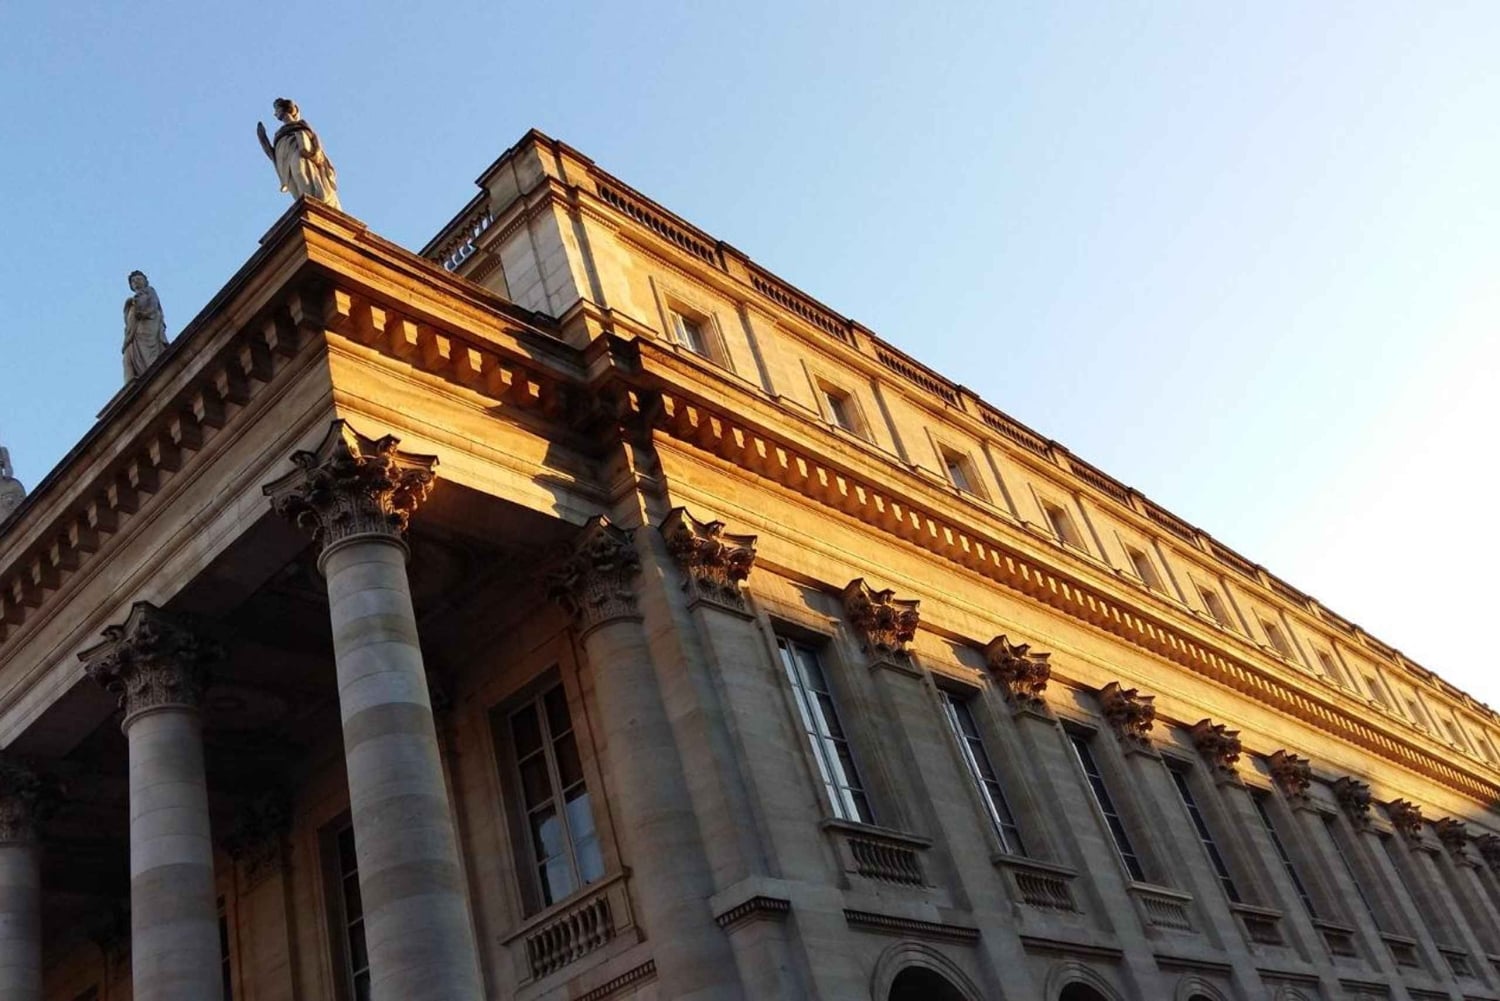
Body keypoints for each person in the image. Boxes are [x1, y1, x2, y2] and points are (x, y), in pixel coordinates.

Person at [256, 98, 341, 209]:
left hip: (301, 152)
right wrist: (263, 138)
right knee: (295, 185)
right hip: (284, 161)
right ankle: (307, 207)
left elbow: (314, 138)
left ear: (283, 109)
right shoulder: (278, 134)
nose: (275, 114)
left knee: (301, 173)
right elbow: (272, 155)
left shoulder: (301, 124)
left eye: (276, 109)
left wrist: (317, 150)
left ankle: (315, 204)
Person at [122, 270, 168, 382]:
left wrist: (145, 313)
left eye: (139, 279)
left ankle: (154, 372)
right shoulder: (133, 300)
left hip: (149, 325)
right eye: (133, 281)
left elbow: (154, 305)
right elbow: (128, 321)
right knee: (129, 355)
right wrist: (127, 307)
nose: (136, 282)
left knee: (152, 354)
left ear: (145, 281)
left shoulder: (149, 291)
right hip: (135, 332)